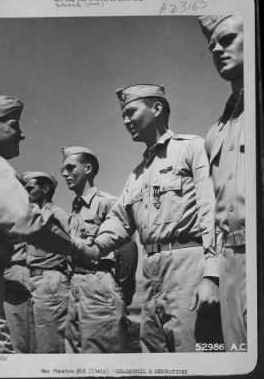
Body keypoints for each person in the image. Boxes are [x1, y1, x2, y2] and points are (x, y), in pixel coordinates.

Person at [80, 84, 221, 352]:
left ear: (156, 108)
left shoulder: (191, 148)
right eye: (123, 115)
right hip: (151, 272)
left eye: (130, 112)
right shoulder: (136, 174)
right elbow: (119, 221)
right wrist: (89, 247)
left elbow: (211, 210)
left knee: (191, 353)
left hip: (188, 266)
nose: (125, 121)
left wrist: (212, 275)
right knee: (153, 356)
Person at [0, 95, 88, 353]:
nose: (22, 134)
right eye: (14, 125)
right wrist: (77, 249)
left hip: (38, 281)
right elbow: (28, 223)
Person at [198, 15, 246, 351]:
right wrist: (213, 274)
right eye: (212, 44)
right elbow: (211, 211)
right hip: (230, 263)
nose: (216, 48)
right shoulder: (215, 132)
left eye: (227, 39)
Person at [61, 146, 138, 353]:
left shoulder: (107, 202)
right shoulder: (75, 208)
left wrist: (120, 289)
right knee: (75, 356)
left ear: (87, 168)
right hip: (76, 286)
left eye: (70, 168)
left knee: (101, 355)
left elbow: (128, 248)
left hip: (100, 284)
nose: (64, 174)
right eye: (63, 170)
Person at [21, 171, 70, 353]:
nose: (26, 193)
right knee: (37, 345)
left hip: (51, 281)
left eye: (30, 188)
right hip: (34, 281)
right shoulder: (34, 216)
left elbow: (74, 245)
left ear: (46, 189)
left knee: (51, 346)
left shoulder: (57, 214)